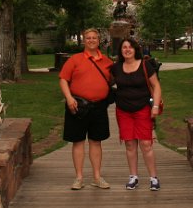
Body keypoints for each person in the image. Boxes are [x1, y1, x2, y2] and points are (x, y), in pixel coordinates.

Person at [58, 28, 114, 190]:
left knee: (96, 141)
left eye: (94, 38)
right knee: (78, 142)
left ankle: (97, 177)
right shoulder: (74, 60)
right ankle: (79, 178)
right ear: (84, 40)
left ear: (98, 41)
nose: (91, 40)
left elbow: (113, 81)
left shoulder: (107, 62)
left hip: (99, 107)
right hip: (77, 106)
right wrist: (69, 98)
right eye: (88, 38)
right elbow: (63, 79)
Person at [111, 37, 163, 191]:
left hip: (143, 109)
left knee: (146, 144)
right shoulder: (116, 68)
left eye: (130, 47)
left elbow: (156, 86)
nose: (127, 50)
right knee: (129, 144)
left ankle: (153, 178)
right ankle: (133, 177)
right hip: (123, 111)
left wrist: (155, 106)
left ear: (135, 50)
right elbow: (105, 83)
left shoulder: (145, 65)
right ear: (120, 51)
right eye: (124, 47)